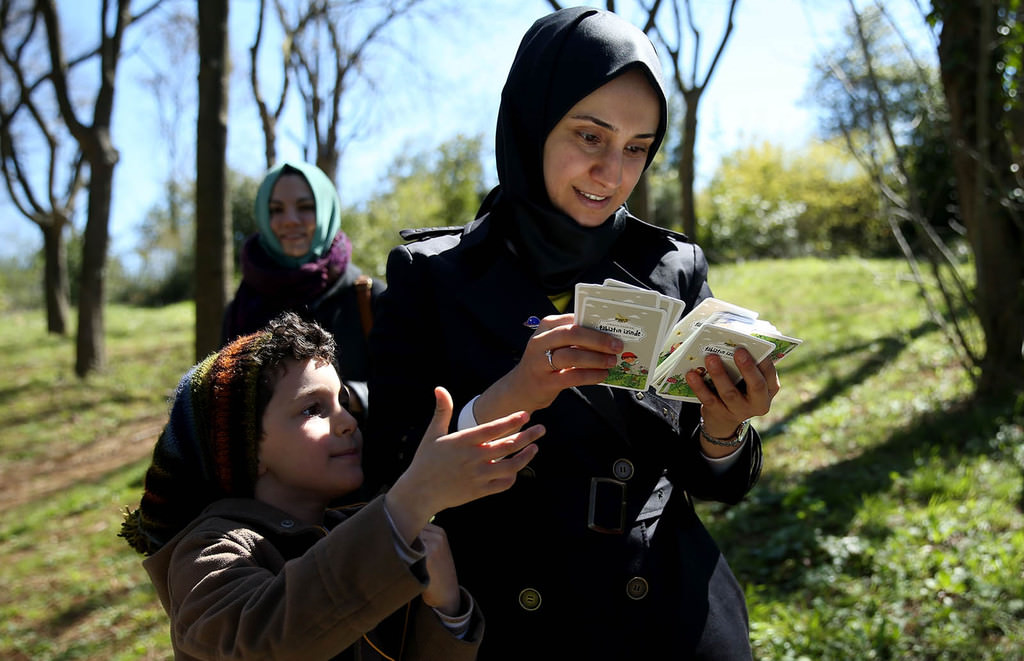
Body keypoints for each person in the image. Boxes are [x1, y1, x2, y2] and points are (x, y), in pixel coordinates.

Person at [363, 7, 780, 660]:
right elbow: (389, 473)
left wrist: (725, 433)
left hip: (671, 613)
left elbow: (708, 477)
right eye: (591, 137)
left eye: (637, 148)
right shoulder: (431, 275)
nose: (612, 173)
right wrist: (514, 392)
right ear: (531, 121)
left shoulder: (672, 266)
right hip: (517, 623)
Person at [120, 312, 544, 660]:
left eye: (343, 401)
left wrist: (446, 611)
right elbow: (264, 644)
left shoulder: (366, 532)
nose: (346, 422)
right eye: (313, 409)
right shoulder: (209, 553)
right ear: (247, 446)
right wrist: (412, 501)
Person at [223, 160, 384, 419]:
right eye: (276, 209)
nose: (290, 220)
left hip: (361, 455)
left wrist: (344, 396)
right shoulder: (242, 308)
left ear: (326, 211)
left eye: (305, 207)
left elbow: (408, 392)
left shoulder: (368, 298)